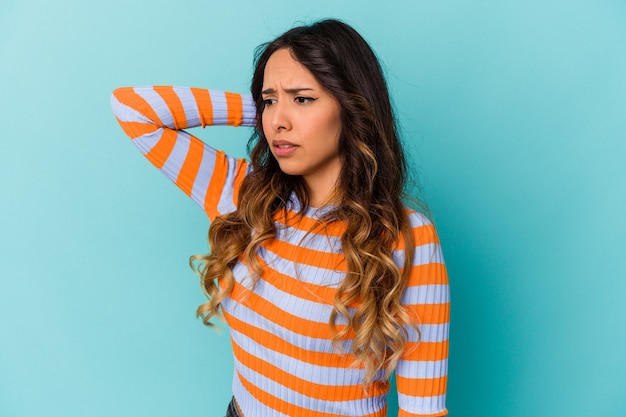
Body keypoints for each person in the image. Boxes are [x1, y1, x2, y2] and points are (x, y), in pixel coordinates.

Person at [111, 19, 449, 417]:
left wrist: (280, 105)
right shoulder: (239, 191)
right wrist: (264, 110)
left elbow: (422, 410)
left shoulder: (406, 237)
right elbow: (133, 109)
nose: (277, 121)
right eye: (269, 100)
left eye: (303, 99)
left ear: (352, 105)